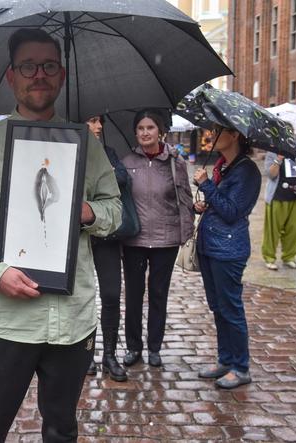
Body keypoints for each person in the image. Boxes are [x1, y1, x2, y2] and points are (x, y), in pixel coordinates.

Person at [0, 29, 121, 441]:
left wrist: (89, 211)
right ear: (11, 77)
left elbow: (116, 209)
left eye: (49, 66)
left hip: (70, 318)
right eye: (28, 66)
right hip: (5, 322)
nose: (38, 74)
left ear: (61, 75)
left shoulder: (86, 147)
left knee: (62, 429)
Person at [120, 110, 194, 368]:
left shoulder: (175, 162)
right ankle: (133, 347)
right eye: (140, 128)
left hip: (166, 240)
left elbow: (185, 199)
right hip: (135, 241)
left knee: (158, 294)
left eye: (150, 127)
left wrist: (187, 232)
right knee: (133, 295)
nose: (145, 132)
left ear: (160, 131)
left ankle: (154, 347)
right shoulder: (127, 161)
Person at [193, 124, 261, 389]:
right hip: (211, 246)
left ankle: (241, 367)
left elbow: (233, 211)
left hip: (229, 250)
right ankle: (226, 359)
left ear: (235, 136)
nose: (212, 135)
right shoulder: (224, 166)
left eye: (219, 131)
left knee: (231, 309)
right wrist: (205, 203)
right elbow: (221, 205)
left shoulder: (247, 171)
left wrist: (206, 185)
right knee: (218, 307)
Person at [85, 115, 127, 382]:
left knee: (111, 295)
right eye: (92, 121)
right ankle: (85, 354)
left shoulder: (108, 152)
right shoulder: (70, 150)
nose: (99, 127)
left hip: (108, 238)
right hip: (81, 239)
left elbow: (123, 177)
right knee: (84, 297)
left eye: (100, 121)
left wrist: (106, 173)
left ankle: (109, 355)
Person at [261, 138, 296, 270]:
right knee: (273, 229)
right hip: (278, 194)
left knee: (295, 228)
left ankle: (289, 257)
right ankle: (269, 257)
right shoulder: (273, 149)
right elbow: (270, 174)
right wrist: (279, 159)